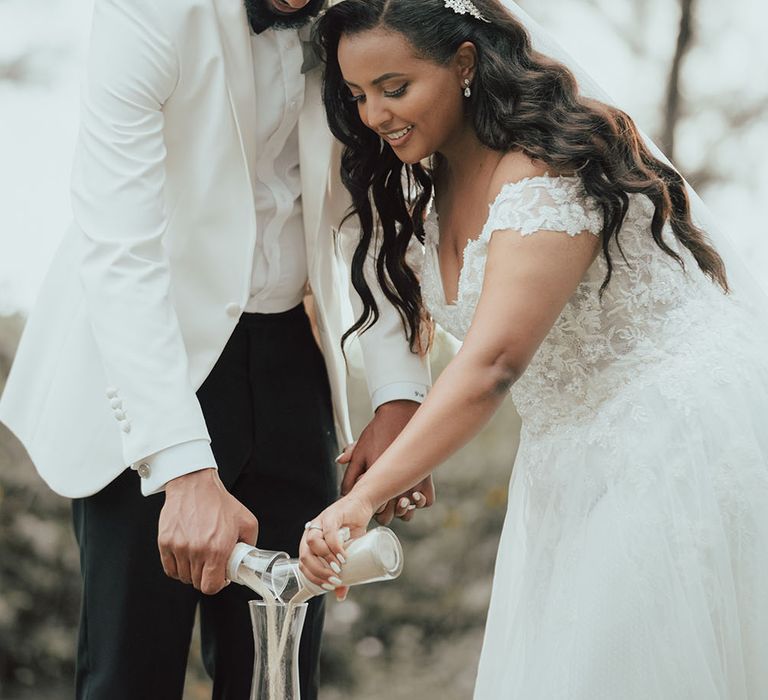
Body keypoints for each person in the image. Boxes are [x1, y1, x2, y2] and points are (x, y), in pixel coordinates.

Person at [298, 0, 768, 697]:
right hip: (566, 462)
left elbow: (491, 367)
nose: (373, 115)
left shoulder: (547, 170)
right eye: (359, 95)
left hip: (672, 439)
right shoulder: (430, 191)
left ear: (462, 63)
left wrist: (365, 496)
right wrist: (402, 448)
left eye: (396, 88)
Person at [0, 0, 435, 698]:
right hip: (145, 370)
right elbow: (119, 249)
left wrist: (398, 393)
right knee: (130, 679)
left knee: (283, 669)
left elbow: (372, 215)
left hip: (294, 358)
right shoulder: (144, 12)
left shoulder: (358, 18)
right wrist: (180, 468)